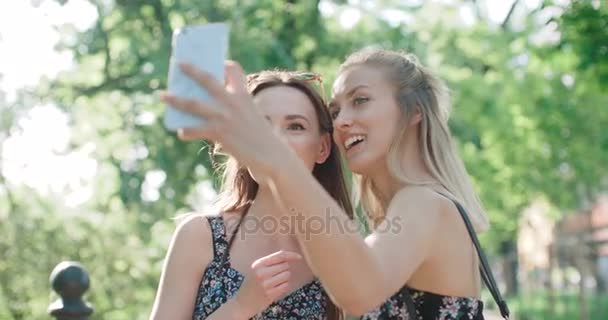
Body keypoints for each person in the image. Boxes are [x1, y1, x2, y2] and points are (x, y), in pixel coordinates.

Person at [162, 48, 509, 319]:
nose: (342, 121)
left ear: (414, 110)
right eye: (337, 110)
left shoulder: (423, 203)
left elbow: (360, 290)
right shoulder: (379, 228)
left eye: (360, 100)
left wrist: (274, 157)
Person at [151, 70, 353, 320]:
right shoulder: (199, 236)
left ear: (322, 148)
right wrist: (241, 306)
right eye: (260, 125)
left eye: (295, 126)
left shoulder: (336, 255)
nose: (275, 139)